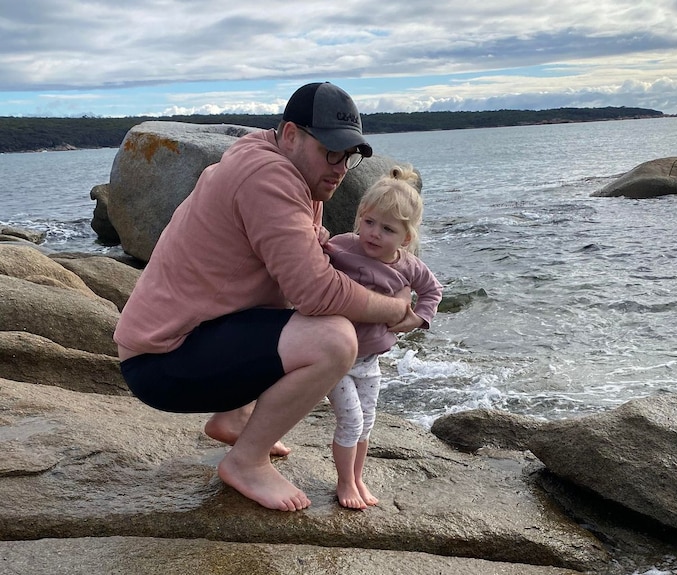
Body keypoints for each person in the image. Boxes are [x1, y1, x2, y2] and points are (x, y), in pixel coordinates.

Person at [114, 82, 421, 512]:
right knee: (335, 339)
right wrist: (394, 309)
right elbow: (315, 292)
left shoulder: (277, 165)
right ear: (291, 134)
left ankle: (235, 418)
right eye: (330, 151)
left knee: (287, 312)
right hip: (163, 361)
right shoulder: (268, 177)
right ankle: (246, 462)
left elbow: (303, 256)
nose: (339, 167)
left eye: (348, 156)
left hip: (184, 342)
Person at [324, 166, 443, 509]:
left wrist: (417, 319)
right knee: (351, 420)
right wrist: (317, 237)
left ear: (406, 238)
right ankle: (345, 482)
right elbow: (312, 259)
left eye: (388, 229)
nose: (374, 234)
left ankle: (358, 477)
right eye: (369, 222)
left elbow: (432, 291)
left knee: (368, 422)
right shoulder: (343, 247)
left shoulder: (409, 265)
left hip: (371, 361)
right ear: (360, 217)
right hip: (338, 359)